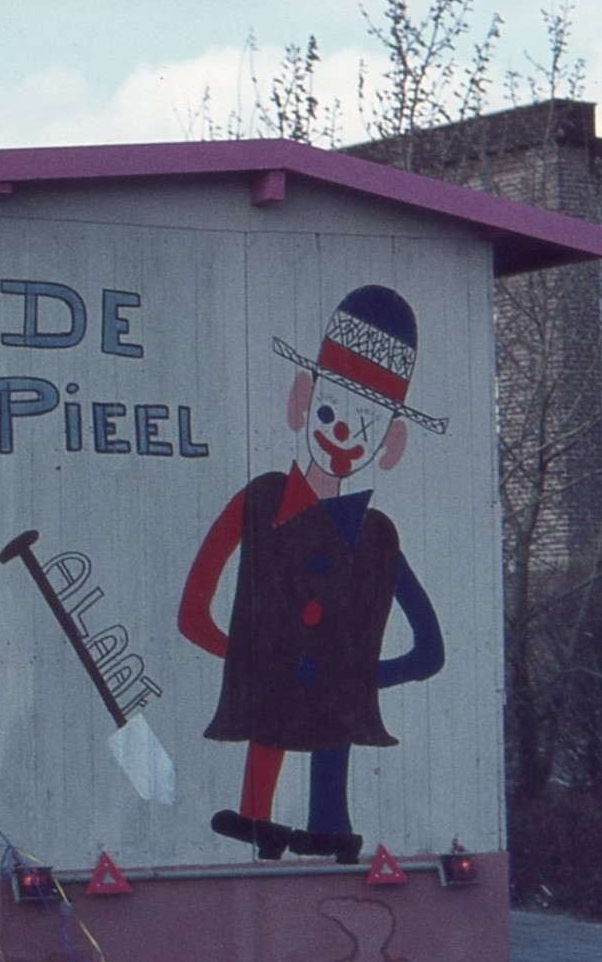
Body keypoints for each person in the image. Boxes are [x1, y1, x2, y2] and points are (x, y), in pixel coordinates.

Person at [178, 285, 446, 863]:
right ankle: (257, 817)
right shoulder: (261, 501)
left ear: (391, 443)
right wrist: (251, 657)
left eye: (366, 425)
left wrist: (356, 678)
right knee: (275, 715)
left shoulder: (375, 537)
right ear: (301, 400)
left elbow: (430, 651)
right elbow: (192, 613)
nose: (343, 432)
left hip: (333, 766)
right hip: (264, 731)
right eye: (328, 410)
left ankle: (326, 823)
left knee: (327, 723)